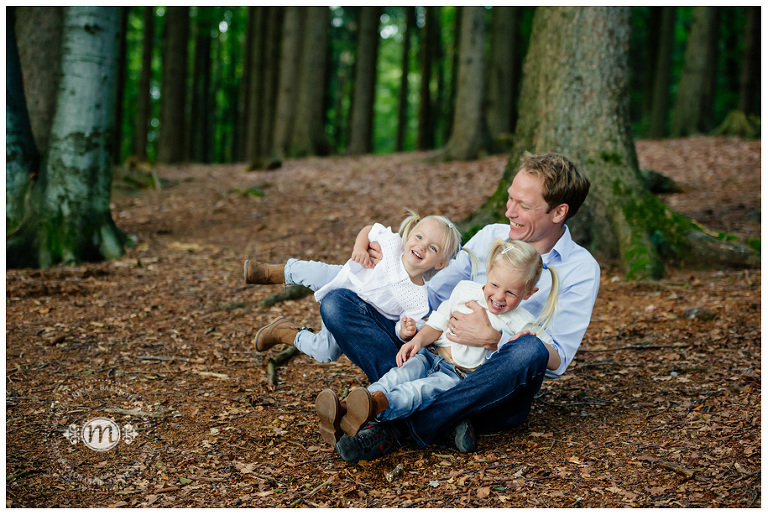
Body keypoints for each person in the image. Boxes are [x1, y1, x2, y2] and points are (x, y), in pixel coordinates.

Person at [243, 152, 600, 462]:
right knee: (338, 303)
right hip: (432, 354)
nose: (509, 211)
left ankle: (398, 427)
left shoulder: (579, 269)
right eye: (510, 199)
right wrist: (394, 267)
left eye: (523, 205)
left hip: (489, 386)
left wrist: (493, 337)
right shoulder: (492, 236)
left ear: (559, 212)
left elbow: (555, 360)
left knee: (530, 350)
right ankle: (443, 422)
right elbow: (430, 295)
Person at [315, 239, 561, 448]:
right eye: (495, 285)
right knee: (395, 377)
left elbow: (551, 358)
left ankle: (377, 409)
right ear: (488, 272)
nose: (498, 296)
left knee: (416, 391)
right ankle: (347, 407)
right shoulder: (466, 290)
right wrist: (417, 341)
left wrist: (501, 340)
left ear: (529, 293)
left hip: (456, 377)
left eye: (511, 293)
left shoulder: (523, 321)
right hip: (429, 355)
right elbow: (438, 321)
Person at [248, 210, 463, 365]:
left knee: (325, 352)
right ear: (411, 234)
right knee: (313, 273)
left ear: (440, 264)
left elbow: (401, 328)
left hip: (351, 317)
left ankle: (284, 333)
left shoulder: (418, 299)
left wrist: (405, 331)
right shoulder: (391, 244)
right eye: (419, 237)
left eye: (433, 248)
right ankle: (269, 273)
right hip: (346, 278)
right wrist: (360, 247)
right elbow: (369, 230)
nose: (421, 246)